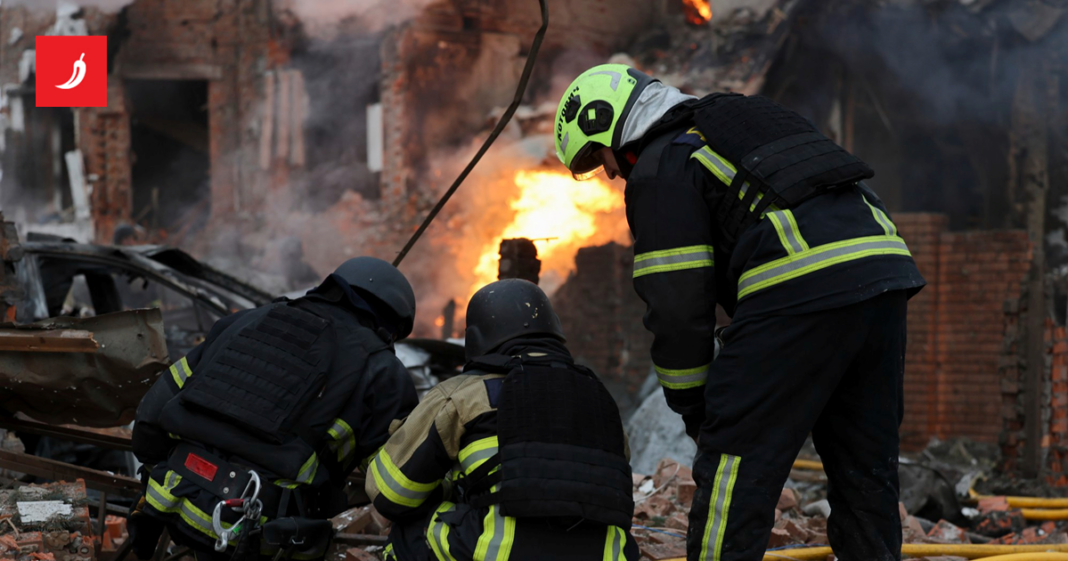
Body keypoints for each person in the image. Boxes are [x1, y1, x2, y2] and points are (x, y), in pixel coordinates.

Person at [553, 64, 927, 561]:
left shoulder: (663, 164)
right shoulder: (742, 116)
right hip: (884, 276)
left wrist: (700, 414)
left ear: (610, 126)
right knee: (866, 465)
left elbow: (676, 308)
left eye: (600, 158)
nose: (612, 173)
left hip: (799, 288)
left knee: (734, 465)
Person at [129, 257, 420, 561]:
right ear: (390, 324)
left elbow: (149, 417)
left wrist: (159, 482)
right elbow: (398, 488)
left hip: (170, 499)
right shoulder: (383, 371)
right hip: (263, 536)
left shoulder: (244, 320)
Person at [367, 279, 639, 561]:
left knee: (407, 535)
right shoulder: (600, 400)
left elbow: (391, 495)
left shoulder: (463, 395)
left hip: (500, 552)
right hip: (608, 554)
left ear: (476, 337)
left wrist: (447, 485)